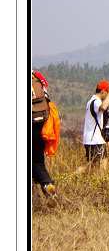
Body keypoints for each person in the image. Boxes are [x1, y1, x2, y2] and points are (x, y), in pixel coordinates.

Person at [77, 80, 109, 172]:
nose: (106, 96)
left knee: (94, 165)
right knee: (101, 165)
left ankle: (78, 175)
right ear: (102, 91)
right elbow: (103, 107)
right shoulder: (96, 102)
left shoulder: (91, 101)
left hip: (92, 139)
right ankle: (76, 173)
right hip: (95, 140)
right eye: (106, 93)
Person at [31, 70, 57, 198]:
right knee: (38, 161)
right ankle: (48, 188)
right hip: (42, 123)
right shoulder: (37, 77)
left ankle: (42, 189)